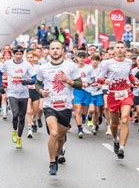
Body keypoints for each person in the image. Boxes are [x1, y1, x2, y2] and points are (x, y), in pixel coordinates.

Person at [36, 41, 82, 175]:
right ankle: (52, 162)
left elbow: (79, 84)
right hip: (50, 105)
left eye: (58, 48)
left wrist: (69, 80)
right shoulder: (43, 68)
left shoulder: (70, 66)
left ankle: (57, 153)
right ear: (49, 51)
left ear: (62, 51)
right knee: (54, 133)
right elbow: (37, 84)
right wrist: (41, 92)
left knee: (61, 137)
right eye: (52, 48)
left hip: (65, 106)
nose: (55, 51)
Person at [97, 41, 137, 159]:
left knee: (125, 119)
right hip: (113, 95)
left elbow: (129, 75)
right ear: (114, 50)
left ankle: (122, 148)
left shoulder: (129, 62)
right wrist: (104, 81)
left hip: (126, 94)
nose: (120, 49)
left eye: (122, 47)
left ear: (125, 50)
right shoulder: (107, 63)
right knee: (114, 124)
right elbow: (98, 78)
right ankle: (115, 139)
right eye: (117, 48)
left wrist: (136, 82)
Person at [0, 45, 36, 149]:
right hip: (12, 93)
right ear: (13, 54)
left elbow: (34, 78)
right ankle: (14, 131)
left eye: (20, 54)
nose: (19, 56)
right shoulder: (7, 64)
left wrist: (28, 81)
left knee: (22, 117)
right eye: (17, 54)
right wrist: (0, 85)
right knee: (15, 114)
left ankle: (19, 138)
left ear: (22, 54)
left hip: (24, 94)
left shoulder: (27, 65)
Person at [72, 50, 94, 138]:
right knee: (78, 110)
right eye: (79, 57)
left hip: (87, 91)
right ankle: (80, 129)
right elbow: (69, 79)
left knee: (84, 111)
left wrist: (88, 83)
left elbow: (93, 78)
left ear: (85, 58)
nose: (81, 59)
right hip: (77, 91)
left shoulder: (89, 68)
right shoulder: (73, 68)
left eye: (83, 57)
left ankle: (84, 116)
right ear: (76, 57)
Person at [87, 53, 104, 135]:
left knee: (97, 111)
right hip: (90, 93)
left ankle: (94, 126)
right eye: (94, 60)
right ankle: (89, 115)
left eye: (97, 60)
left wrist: (102, 84)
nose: (95, 62)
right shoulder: (88, 69)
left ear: (99, 61)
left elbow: (104, 79)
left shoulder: (101, 69)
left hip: (98, 93)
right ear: (91, 60)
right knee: (92, 110)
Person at [26, 51, 42, 139]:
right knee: (28, 112)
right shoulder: (23, 67)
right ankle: (29, 130)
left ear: (34, 58)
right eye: (27, 58)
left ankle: (35, 119)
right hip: (26, 91)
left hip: (35, 91)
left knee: (36, 110)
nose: (29, 59)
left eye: (31, 57)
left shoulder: (38, 67)